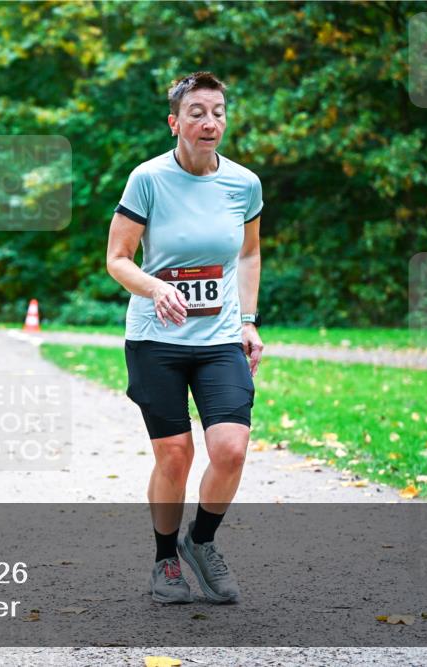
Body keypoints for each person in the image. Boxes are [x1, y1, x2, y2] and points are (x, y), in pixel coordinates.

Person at [105, 72, 264, 605]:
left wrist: (249, 320)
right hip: (157, 339)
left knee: (231, 449)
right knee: (174, 456)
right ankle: (165, 559)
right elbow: (117, 259)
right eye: (197, 111)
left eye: (217, 111)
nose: (209, 121)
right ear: (175, 121)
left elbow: (247, 254)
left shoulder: (244, 184)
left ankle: (201, 542)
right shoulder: (147, 179)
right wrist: (154, 289)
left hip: (219, 337)